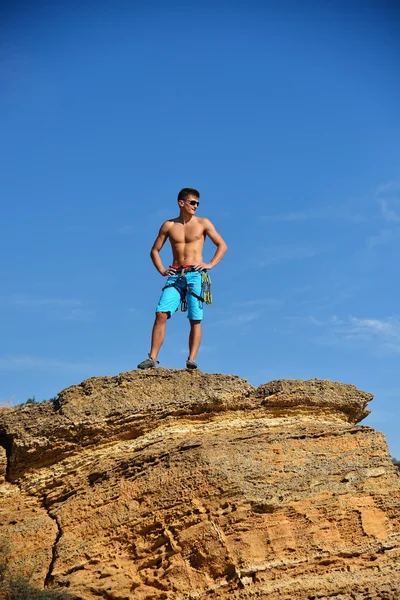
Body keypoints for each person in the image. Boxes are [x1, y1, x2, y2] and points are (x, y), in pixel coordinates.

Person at [137, 188, 227, 370]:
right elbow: (154, 250)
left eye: (197, 203)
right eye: (192, 202)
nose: (196, 206)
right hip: (176, 275)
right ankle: (152, 358)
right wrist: (162, 270)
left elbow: (222, 245)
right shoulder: (169, 225)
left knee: (195, 318)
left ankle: (191, 360)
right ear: (181, 203)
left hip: (195, 274)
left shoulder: (203, 223)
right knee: (161, 313)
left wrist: (210, 264)